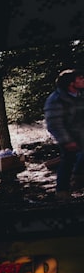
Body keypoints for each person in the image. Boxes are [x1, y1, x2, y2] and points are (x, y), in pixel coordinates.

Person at [43, 68, 84, 201]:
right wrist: (67, 141)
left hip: (81, 134)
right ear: (71, 83)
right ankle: (62, 192)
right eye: (80, 78)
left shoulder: (78, 95)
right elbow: (54, 124)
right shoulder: (56, 99)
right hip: (68, 136)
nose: (83, 80)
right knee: (68, 161)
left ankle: (78, 179)